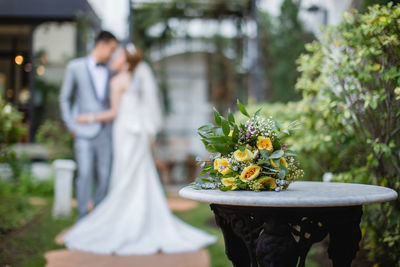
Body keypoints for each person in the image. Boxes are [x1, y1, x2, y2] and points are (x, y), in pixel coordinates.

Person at [63, 44, 216, 255]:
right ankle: (140, 215)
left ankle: (125, 218)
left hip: (124, 133)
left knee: (125, 175)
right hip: (138, 134)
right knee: (139, 175)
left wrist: (87, 117)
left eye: (118, 56)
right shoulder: (137, 79)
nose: (114, 59)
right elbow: (145, 109)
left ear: (125, 62)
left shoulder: (117, 81)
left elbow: (114, 112)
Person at [59, 31, 119, 219]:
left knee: (104, 176)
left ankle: (98, 218)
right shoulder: (75, 67)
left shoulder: (112, 70)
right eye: (111, 49)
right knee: (84, 174)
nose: (112, 54)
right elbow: (64, 98)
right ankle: (83, 217)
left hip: (106, 132)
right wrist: (71, 126)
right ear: (101, 44)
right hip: (82, 132)